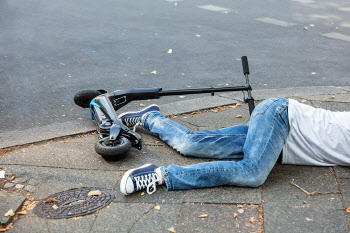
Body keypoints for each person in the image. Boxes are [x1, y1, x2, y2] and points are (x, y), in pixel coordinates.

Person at [118, 97, 350, 195]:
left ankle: (150, 118)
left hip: (279, 141)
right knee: (253, 173)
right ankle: (161, 176)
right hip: (281, 117)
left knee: (189, 144)